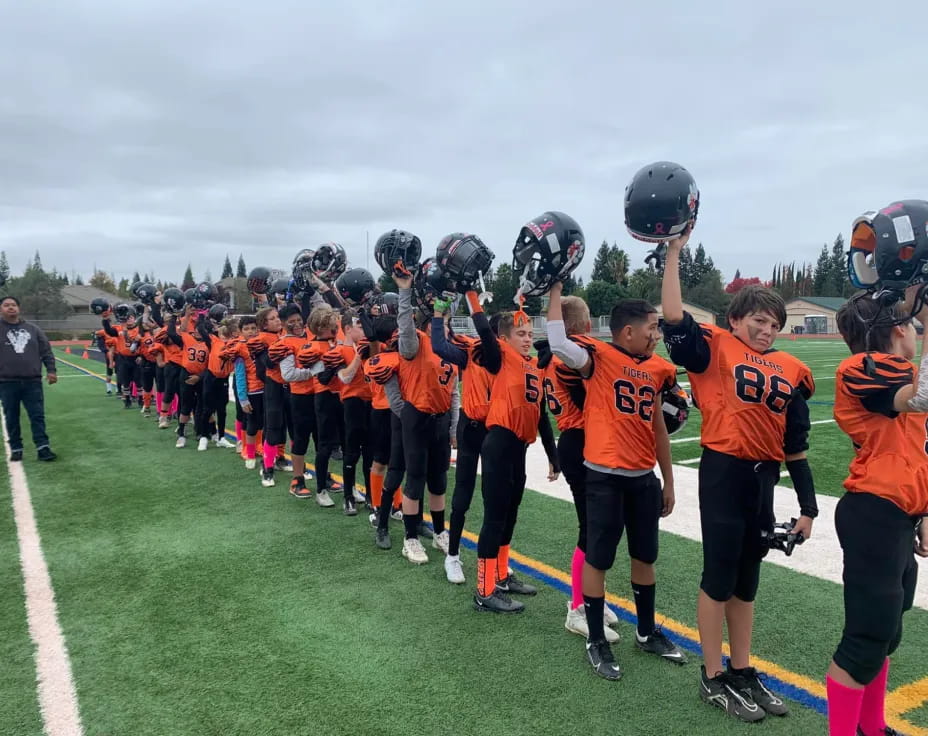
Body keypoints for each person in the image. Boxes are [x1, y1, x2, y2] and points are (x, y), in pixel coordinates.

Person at [661, 227, 817, 722]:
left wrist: (808, 505)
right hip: (723, 471)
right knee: (719, 574)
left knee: (747, 579)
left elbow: (795, 444)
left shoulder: (790, 368)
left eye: (774, 324)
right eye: (757, 321)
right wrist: (673, 255)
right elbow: (674, 319)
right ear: (734, 320)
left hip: (762, 477)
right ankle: (711, 676)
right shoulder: (717, 348)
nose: (767, 331)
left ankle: (742, 668)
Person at [547, 281, 685, 679]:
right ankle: (595, 638)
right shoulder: (599, 357)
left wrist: (669, 481)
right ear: (628, 331)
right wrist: (556, 290)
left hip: (643, 478)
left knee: (645, 556)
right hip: (604, 477)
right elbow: (558, 341)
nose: (656, 335)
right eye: (651, 328)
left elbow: (659, 426)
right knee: (598, 556)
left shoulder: (660, 369)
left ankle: (645, 630)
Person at [826, 291, 928, 736]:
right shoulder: (862, 365)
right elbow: (921, 397)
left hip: (898, 515)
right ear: (900, 328)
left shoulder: (900, 373)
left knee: (887, 632)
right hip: (873, 511)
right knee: (866, 639)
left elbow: (915, 453)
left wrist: (924, 514)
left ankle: (871, 724)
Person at [0, 295, 57, 461]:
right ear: (1, 309)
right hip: (6, 382)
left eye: (13, 305)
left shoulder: (33, 329)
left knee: (37, 415)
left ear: (19, 308)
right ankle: (16, 448)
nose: (11, 307)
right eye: (6, 305)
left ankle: (43, 447)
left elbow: (46, 351)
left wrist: (51, 370)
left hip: (32, 381)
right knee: (11, 416)